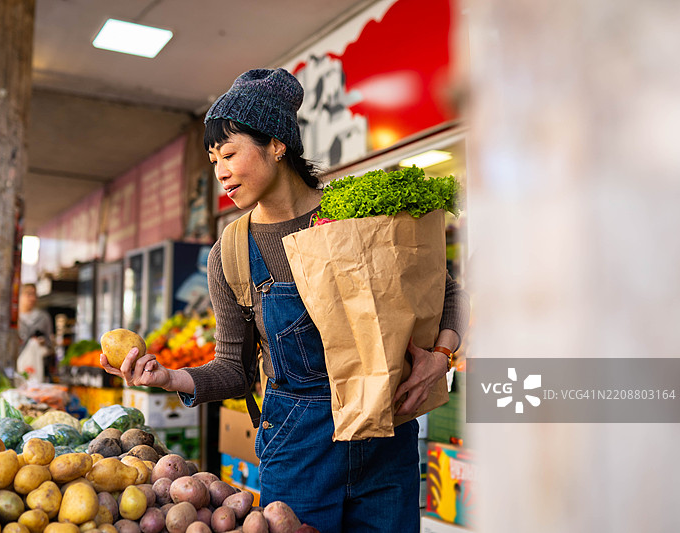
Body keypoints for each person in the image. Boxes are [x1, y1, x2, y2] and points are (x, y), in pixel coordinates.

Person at [101, 68, 470, 533]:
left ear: (277, 143)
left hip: (386, 439)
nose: (221, 171)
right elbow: (234, 370)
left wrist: (441, 354)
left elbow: (448, 291)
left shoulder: (355, 217)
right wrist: (168, 376)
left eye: (230, 153)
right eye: (214, 159)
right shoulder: (231, 254)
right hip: (299, 451)